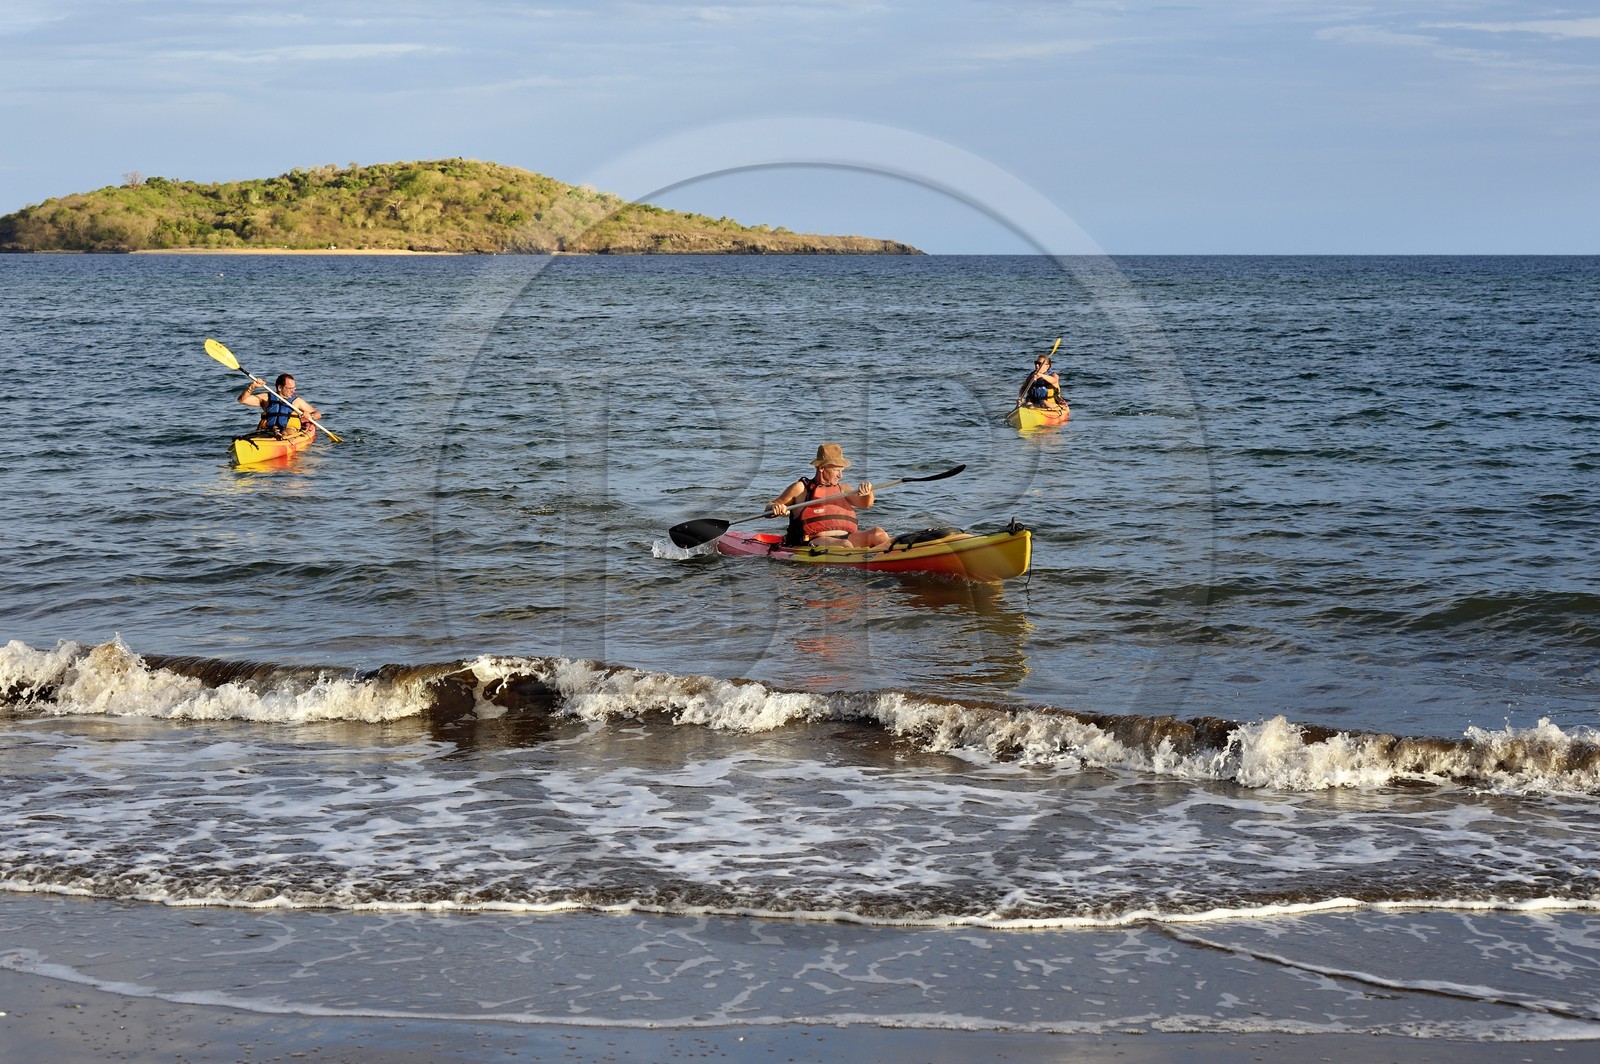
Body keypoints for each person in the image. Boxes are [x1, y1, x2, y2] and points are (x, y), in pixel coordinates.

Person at [770, 443, 891, 549]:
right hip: (814, 541)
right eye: (837, 470)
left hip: (846, 537)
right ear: (822, 468)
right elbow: (771, 505)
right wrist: (775, 508)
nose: (840, 475)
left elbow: (866, 504)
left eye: (842, 470)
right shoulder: (801, 489)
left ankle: (893, 557)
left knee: (878, 533)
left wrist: (868, 492)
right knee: (845, 545)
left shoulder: (843, 489)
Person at [238, 373, 321, 438]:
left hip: (289, 431)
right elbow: (242, 400)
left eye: (294, 388)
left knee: (285, 433)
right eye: (289, 388)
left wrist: (311, 416)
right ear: (280, 388)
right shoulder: (266, 398)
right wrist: (252, 387)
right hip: (268, 430)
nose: (293, 391)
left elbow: (318, 414)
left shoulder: (297, 401)